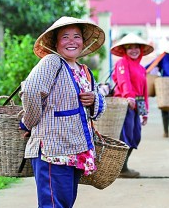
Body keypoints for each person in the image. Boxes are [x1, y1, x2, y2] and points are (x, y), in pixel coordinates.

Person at [19, 16, 107, 207]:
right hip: (53, 149)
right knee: (52, 203)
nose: (71, 41)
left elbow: (100, 107)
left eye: (76, 36)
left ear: (83, 42)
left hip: (76, 149)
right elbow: (31, 91)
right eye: (65, 37)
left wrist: (94, 100)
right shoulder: (51, 62)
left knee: (65, 203)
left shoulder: (84, 71)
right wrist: (28, 122)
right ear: (56, 43)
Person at [110, 33, 154, 178]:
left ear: (141, 50)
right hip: (125, 105)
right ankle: (122, 169)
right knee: (126, 136)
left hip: (136, 106)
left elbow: (143, 91)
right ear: (124, 50)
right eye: (130, 48)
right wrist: (129, 96)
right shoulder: (122, 63)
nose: (133, 50)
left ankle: (123, 167)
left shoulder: (141, 68)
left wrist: (144, 111)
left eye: (136, 47)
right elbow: (124, 81)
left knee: (136, 136)